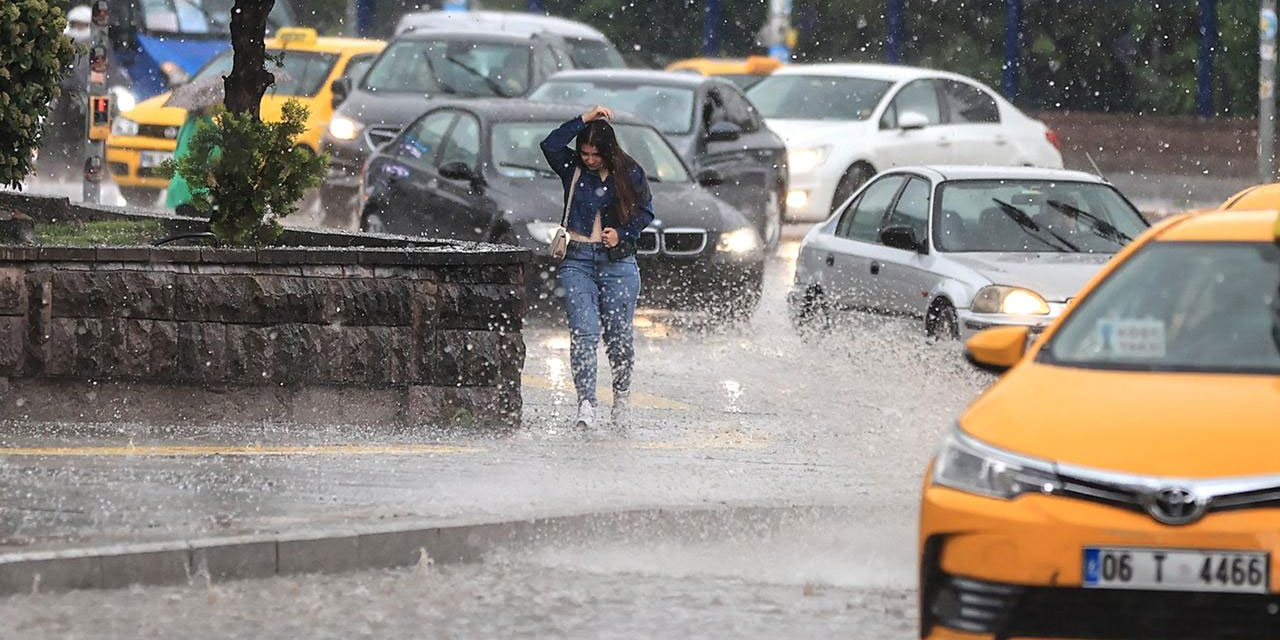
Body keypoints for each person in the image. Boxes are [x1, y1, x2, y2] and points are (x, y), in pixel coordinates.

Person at [541, 105, 655, 429]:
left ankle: (621, 397)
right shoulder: (572, 167)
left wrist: (623, 232)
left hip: (618, 264)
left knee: (619, 338)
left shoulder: (628, 171)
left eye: (595, 154)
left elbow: (646, 211)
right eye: (585, 152)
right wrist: (584, 119)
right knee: (583, 334)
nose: (589, 159)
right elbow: (549, 144)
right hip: (576, 260)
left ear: (607, 151)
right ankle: (586, 403)